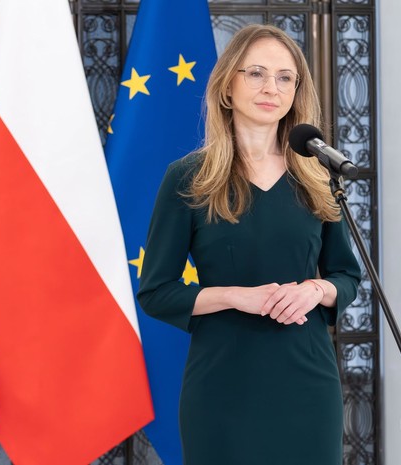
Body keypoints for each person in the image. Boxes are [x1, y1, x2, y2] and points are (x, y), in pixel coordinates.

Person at [137, 24, 361, 465]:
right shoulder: (189, 177)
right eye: (256, 73)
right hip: (223, 389)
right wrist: (236, 297)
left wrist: (315, 289)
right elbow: (156, 292)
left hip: (308, 386)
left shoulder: (317, 176)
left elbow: (347, 276)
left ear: (296, 91)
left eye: (285, 77)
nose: (271, 88)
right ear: (227, 86)